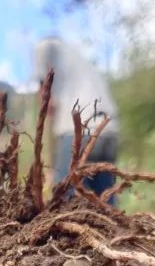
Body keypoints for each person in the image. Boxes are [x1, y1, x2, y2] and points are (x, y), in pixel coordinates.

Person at [33, 37, 119, 201]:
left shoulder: (46, 46)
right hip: (110, 130)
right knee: (106, 204)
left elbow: (46, 98)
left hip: (77, 131)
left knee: (64, 199)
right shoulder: (81, 59)